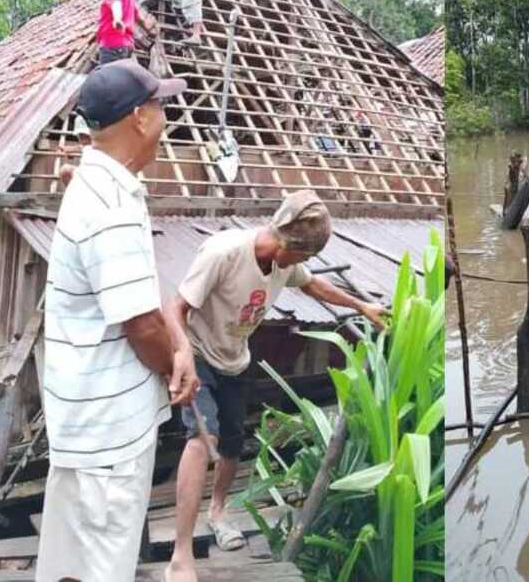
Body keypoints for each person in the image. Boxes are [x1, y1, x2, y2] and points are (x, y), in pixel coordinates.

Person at [163, 191, 386, 581]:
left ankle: (217, 512)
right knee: (202, 437)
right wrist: (181, 353)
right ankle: (181, 556)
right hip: (198, 351)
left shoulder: (285, 263)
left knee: (233, 443)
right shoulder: (225, 253)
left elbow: (315, 286)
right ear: (285, 242)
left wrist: (360, 306)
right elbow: (175, 307)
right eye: (301, 257)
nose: (300, 265)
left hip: (235, 358)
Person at [34, 59, 200, 582]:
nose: (165, 118)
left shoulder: (98, 182)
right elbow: (140, 325)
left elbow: (143, 301)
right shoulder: (111, 203)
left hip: (83, 421)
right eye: (160, 105)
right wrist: (176, 363)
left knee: (73, 563)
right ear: (140, 118)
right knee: (103, 565)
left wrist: (181, 345)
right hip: (108, 436)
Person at [57, 112, 91, 187]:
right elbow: (83, 146)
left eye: (85, 135)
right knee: (65, 170)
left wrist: (72, 149)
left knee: (66, 170)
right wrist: (72, 149)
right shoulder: (86, 145)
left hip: (99, 176)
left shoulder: (100, 144)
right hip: (87, 175)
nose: (82, 138)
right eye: (81, 135)